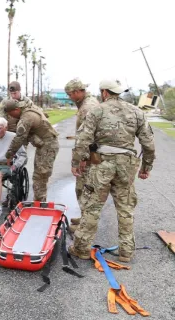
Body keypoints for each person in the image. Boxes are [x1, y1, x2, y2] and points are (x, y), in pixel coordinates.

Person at [68, 79, 155, 263]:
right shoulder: (136, 112)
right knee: (125, 208)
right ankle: (126, 252)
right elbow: (148, 144)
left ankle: (82, 248)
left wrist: (77, 162)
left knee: (92, 206)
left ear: (104, 92)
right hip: (126, 165)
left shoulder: (97, 110)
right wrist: (146, 167)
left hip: (101, 164)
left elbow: (83, 139)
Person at [5, 98, 59, 202]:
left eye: (11, 114)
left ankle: (40, 205)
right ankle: (39, 202)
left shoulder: (26, 117)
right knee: (40, 175)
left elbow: (19, 138)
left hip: (47, 147)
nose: (11, 117)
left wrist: (9, 155)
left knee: (40, 176)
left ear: (16, 109)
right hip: (46, 145)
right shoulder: (29, 108)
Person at [64, 78, 99, 231]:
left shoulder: (87, 108)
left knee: (83, 189)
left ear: (77, 92)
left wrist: (80, 160)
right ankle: (85, 217)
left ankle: (85, 226)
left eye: (70, 94)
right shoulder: (88, 103)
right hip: (92, 152)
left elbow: (86, 137)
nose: (69, 97)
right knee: (85, 189)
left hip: (89, 155)